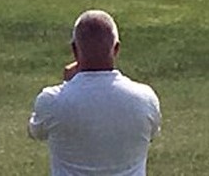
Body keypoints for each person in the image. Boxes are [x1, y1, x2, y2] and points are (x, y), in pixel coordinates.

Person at [27, 10, 161, 176]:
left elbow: (35, 131)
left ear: (75, 50)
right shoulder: (145, 99)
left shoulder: (52, 100)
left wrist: (67, 84)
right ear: (116, 49)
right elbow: (152, 133)